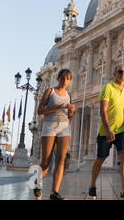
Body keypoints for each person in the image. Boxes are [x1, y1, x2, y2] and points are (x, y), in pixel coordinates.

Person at [88, 65, 124, 200]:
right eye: (120, 72)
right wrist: (107, 129)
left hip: (122, 130)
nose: (123, 74)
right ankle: (92, 185)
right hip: (106, 131)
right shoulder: (108, 88)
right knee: (100, 158)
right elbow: (102, 110)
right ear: (115, 73)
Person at [36, 68, 75, 200]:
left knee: (60, 160)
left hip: (64, 128)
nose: (65, 81)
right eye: (62, 78)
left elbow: (69, 117)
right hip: (50, 127)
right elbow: (40, 110)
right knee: (46, 162)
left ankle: (54, 192)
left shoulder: (69, 95)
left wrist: (71, 111)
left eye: (68, 79)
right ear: (58, 78)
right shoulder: (50, 91)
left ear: (70, 81)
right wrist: (57, 108)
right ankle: (37, 180)